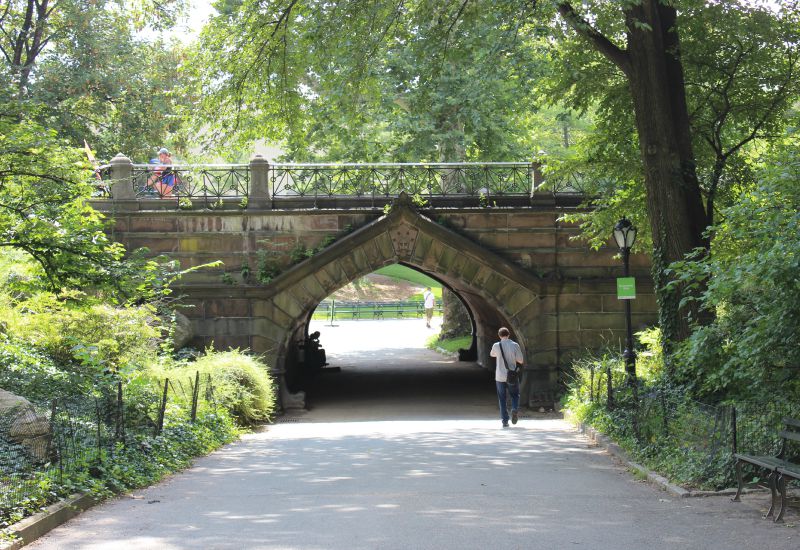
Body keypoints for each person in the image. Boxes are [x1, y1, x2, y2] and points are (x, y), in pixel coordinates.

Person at [489, 327, 524, 428]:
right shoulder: (515, 345)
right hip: (511, 375)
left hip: (500, 376)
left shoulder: (496, 345)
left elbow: (492, 354)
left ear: (499, 336)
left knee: (502, 398)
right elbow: (521, 360)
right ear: (509, 335)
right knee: (515, 395)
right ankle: (514, 409)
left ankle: (505, 421)